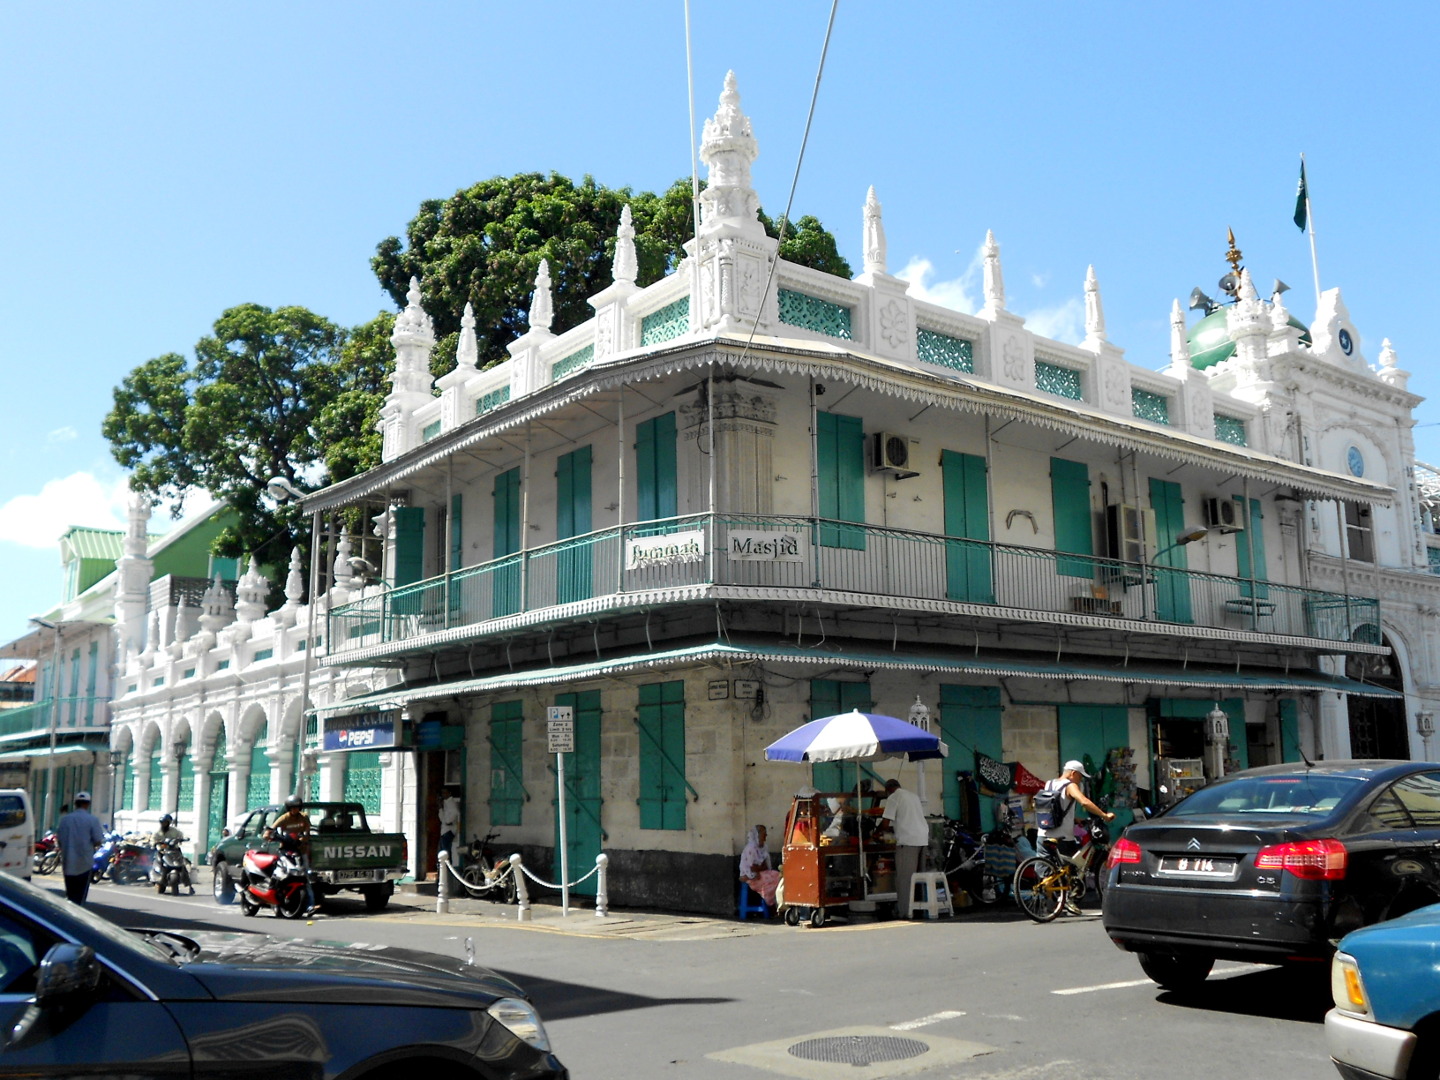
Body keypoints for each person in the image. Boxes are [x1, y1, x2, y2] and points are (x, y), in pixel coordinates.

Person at [1035, 760, 1116, 915]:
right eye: (1080, 776)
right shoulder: (1070, 786)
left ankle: (1049, 906)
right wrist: (1104, 815)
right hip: (1063, 837)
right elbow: (1084, 802)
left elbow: (1054, 810)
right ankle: (1067, 900)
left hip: (1043, 834)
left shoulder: (1049, 784)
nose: (1080, 780)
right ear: (1073, 773)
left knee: (1048, 870)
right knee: (1072, 868)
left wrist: (1075, 819)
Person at [880, 778, 929, 916]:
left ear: (888, 790)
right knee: (919, 877)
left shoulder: (893, 797)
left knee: (904, 879)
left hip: (908, 841)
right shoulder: (913, 796)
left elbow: (885, 823)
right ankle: (921, 909)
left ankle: (905, 912)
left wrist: (876, 833)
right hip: (922, 838)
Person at [270, 795, 316, 914]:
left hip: (301, 851)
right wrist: (271, 835)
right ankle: (276, 901)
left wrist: (303, 839)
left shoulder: (304, 817)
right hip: (286, 851)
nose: (295, 810)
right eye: (292, 808)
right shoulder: (284, 819)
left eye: (297, 808)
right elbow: (270, 831)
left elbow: (307, 832)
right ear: (288, 808)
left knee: (305, 878)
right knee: (281, 875)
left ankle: (310, 905)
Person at [56, 792, 104, 905]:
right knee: (80, 898)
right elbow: (98, 840)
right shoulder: (92, 820)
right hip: (84, 863)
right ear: (88, 804)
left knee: (70, 895)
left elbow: (60, 840)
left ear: (75, 804)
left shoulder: (65, 820)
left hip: (68, 862)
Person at [149, 814, 194, 894]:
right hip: (162, 851)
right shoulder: (157, 833)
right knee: (159, 862)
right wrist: (155, 843)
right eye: (163, 822)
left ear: (169, 823)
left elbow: (181, 835)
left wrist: (183, 839)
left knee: (182, 864)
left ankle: (189, 885)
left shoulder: (174, 831)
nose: (164, 824)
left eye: (166, 822)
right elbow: (153, 840)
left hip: (174, 850)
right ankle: (159, 878)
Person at [738, 825, 780, 909]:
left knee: (779, 876)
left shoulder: (763, 847)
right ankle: (771, 904)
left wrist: (760, 867)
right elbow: (753, 868)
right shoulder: (751, 848)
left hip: (759, 873)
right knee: (776, 879)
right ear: (757, 835)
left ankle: (774, 903)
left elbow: (764, 865)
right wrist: (760, 867)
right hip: (751, 877)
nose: (766, 836)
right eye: (763, 834)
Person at [438, 788, 460, 864]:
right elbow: (442, 818)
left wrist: (447, 821)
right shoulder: (445, 803)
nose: (444, 795)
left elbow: (450, 818)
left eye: (445, 793)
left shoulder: (451, 803)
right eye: (442, 793)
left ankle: (448, 870)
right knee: (443, 852)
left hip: (448, 831)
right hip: (445, 830)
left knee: (446, 852)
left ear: (449, 793)